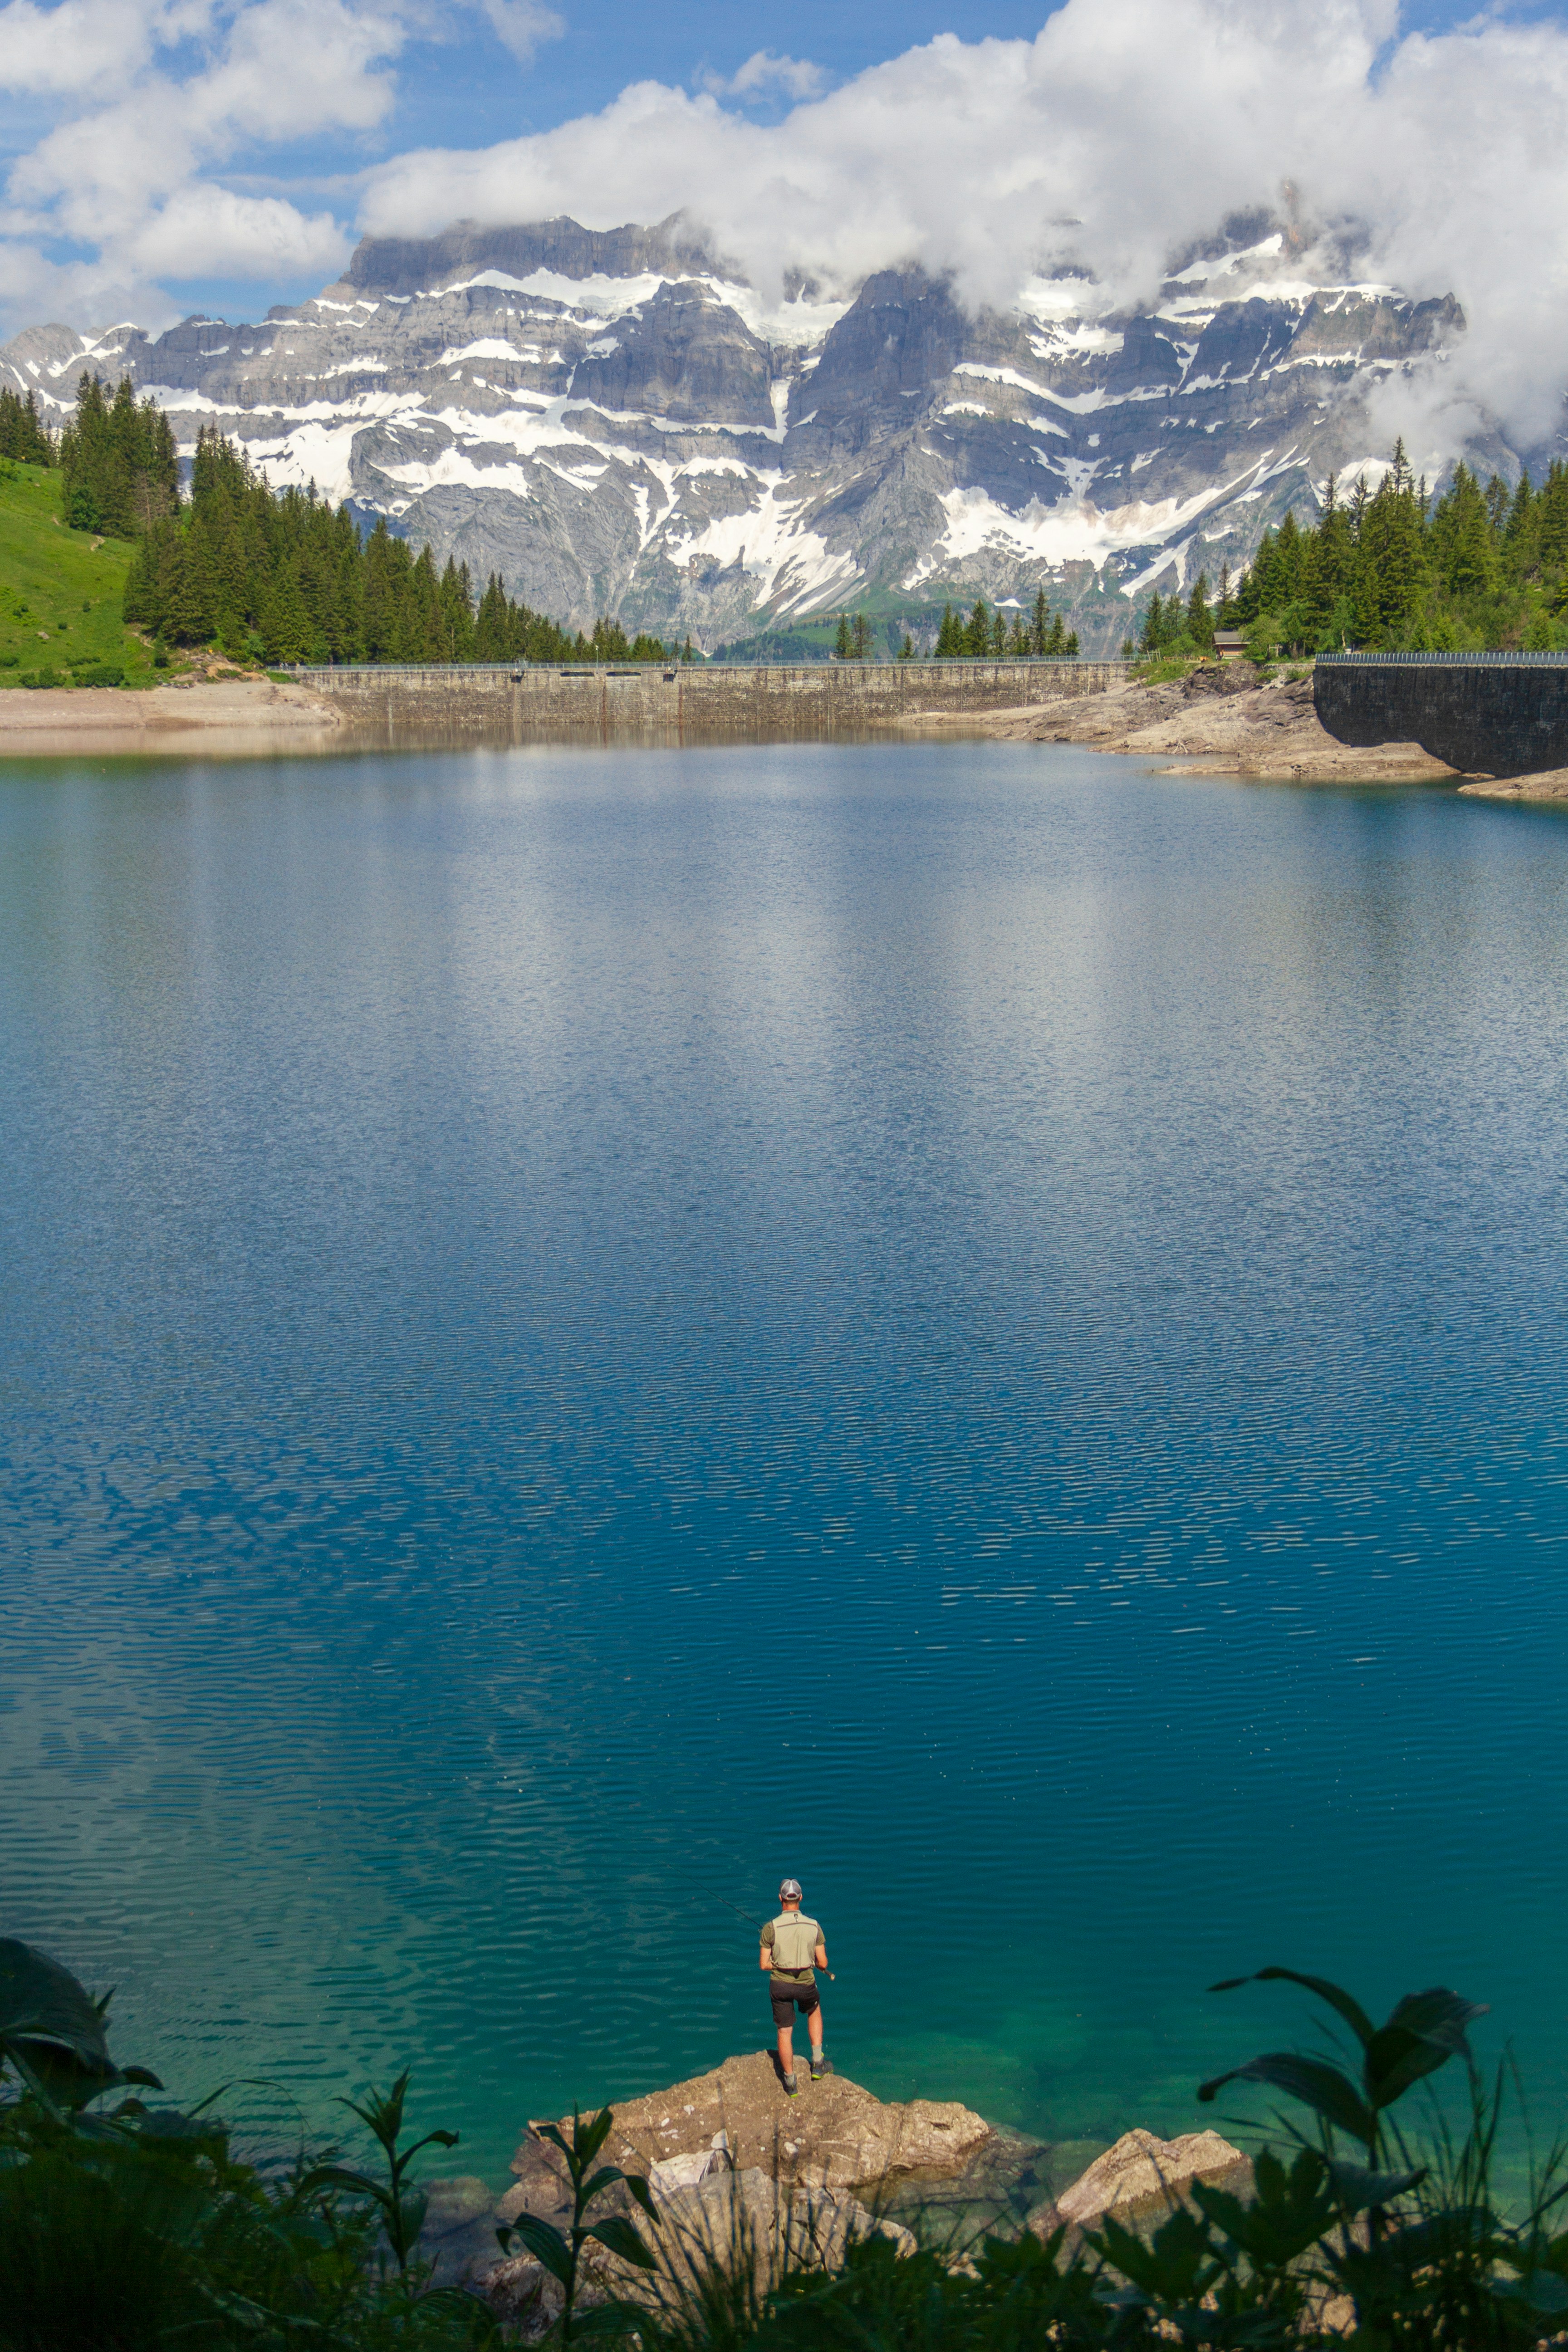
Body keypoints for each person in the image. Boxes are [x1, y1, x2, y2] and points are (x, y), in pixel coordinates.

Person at [760, 1877, 828, 2095]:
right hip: (806, 1983)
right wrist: (810, 1963)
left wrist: (781, 1965)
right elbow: (823, 1963)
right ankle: (818, 2063)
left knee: (785, 2030)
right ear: (800, 1898)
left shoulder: (770, 1928)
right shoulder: (814, 1925)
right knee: (814, 2010)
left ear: (780, 1899)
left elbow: (764, 1965)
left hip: (780, 1985)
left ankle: (790, 2083)